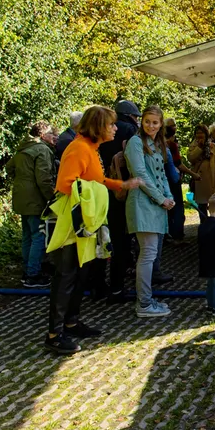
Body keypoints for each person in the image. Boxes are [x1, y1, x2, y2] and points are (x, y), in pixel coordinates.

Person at [44, 106, 142, 354]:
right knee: (66, 276)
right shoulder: (78, 149)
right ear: (99, 127)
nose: (116, 128)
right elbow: (66, 185)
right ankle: (54, 335)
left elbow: (95, 181)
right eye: (111, 125)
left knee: (80, 274)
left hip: (85, 224)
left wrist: (122, 184)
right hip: (72, 224)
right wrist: (99, 192)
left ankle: (72, 322)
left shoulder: (90, 149)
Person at [125, 105, 175, 318]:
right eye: (147, 122)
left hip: (155, 205)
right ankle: (144, 304)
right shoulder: (135, 143)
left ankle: (147, 299)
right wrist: (161, 198)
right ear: (141, 121)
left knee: (151, 254)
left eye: (155, 122)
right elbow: (141, 175)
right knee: (147, 254)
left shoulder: (156, 144)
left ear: (161, 124)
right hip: (142, 204)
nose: (151, 126)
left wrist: (169, 196)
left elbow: (161, 174)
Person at [99, 99, 142, 303]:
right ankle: (118, 288)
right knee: (124, 241)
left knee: (106, 240)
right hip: (125, 189)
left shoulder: (101, 131)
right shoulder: (129, 130)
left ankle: (99, 286)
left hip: (103, 190)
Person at [6, 120, 56, 288]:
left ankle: (27, 270)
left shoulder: (23, 148)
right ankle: (33, 275)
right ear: (43, 135)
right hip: (35, 199)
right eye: (52, 134)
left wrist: (22, 180)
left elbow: (9, 168)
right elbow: (44, 178)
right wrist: (52, 197)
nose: (55, 137)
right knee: (38, 236)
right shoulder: (41, 150)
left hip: (21, 197)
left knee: (27, 235)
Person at [164, 118, 194, 242]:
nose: (174, 127)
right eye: (172, 126)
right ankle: (177, 235)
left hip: (163, 181)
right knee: (177, 207)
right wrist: (193, 174)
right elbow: (177, 164)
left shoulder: (158, 143)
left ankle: (169, 234)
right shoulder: (171, 145)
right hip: (172, 180)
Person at [188, 124, 215, 204]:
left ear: (206, 134)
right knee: (202, 203)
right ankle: (204, 217)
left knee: (214, 203)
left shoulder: (212, 146)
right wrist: (199, 148)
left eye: (201, 132)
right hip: (201, 179)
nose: (199, 134)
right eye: (197, 133)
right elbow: (191, 158)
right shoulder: (193, 146)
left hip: (213, 179)